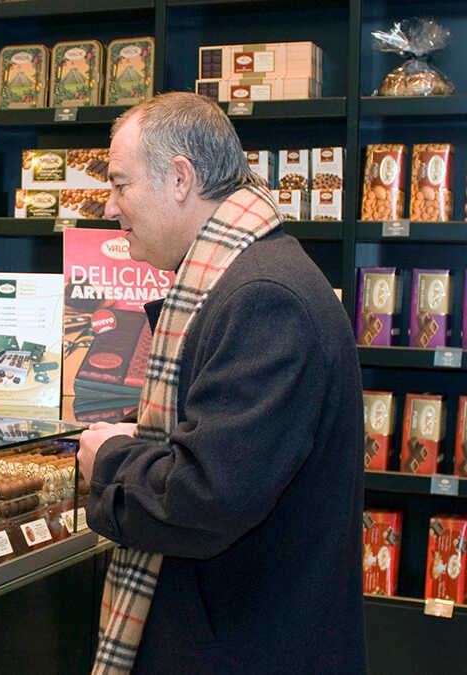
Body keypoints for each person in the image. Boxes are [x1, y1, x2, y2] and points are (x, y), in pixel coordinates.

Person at [77, 92, 365, 673]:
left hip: (246, 647)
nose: (109, 208)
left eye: (121, 184)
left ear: (179, 179)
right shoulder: (247, 277)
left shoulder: (262, 297)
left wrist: (110, 458)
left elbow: (206, 496)